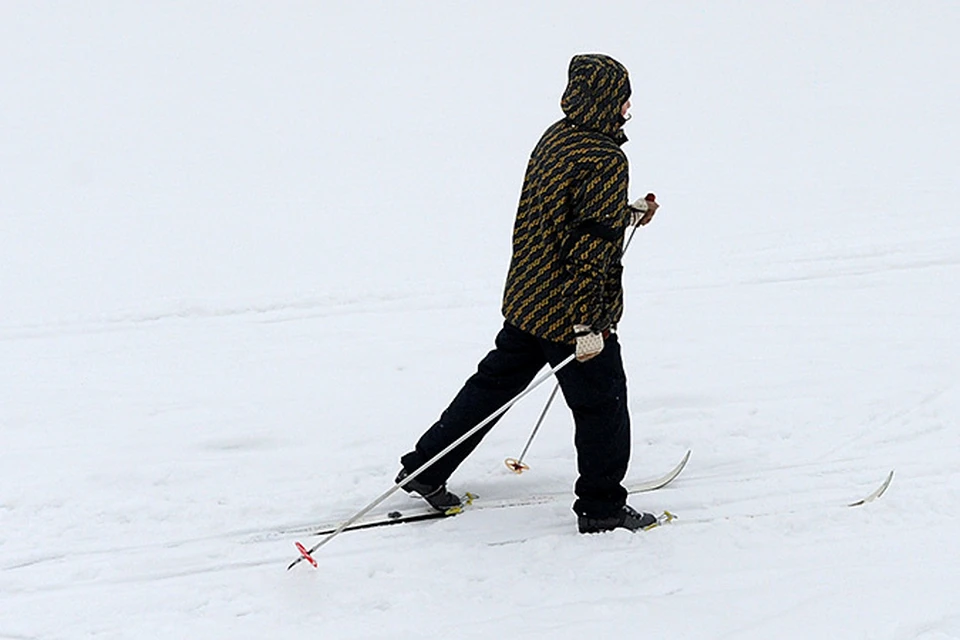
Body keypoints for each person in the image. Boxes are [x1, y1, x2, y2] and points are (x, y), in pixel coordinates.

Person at [396, 53, 661, 534]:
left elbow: (568, 218)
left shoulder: (558, 137)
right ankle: (602, 508)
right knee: (603, 405)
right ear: (607, 99)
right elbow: (589, 248)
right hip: (570, 314)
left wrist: (624, 213)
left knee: (490, 389)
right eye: (625, 99)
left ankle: (425, 469)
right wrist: (588, 324)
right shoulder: (604, 157)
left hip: (529, 297)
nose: (628, 108)